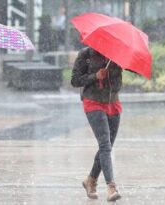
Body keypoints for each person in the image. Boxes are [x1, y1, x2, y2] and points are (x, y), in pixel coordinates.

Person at [71, 47, 122, 202]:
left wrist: (115, 69)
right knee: (105, 145)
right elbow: (75, 80)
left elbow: (118, 84)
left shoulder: (116, 55)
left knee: (106, 147)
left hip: (113, 103)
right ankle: (111, 186)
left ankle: (91, 180)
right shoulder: (85, 55)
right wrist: (95, 76)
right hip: (93, 102)